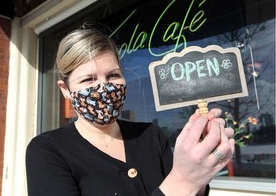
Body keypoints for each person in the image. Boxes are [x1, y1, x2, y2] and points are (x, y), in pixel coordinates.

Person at [26, 23, 235, 196]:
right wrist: (182, 181)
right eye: (88, 79)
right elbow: (180, 186)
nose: (104, 87)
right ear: (66, 90)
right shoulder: (47, 151)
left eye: (113, 75)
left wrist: (198, 165)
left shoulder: (151, 135)